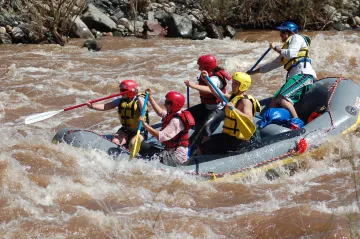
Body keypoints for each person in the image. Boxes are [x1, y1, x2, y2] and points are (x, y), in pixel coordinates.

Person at [248, 21, 317, 119]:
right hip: (296, 76)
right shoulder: (285, 51)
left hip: (303, 75)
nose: (280, 35)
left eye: (283, 32)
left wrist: (275, 48)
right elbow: (270, 66)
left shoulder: (296, 37)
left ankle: (296, 121)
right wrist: (252, 72)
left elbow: (291, 54)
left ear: (290, 32)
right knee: (274, 99)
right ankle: (270, 120)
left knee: (283, 99)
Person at [197, 72, 261, 155]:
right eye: (233, 82)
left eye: (236, 83)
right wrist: (207, 80)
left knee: (202, 148)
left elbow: (249, 118)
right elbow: (218, 94)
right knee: (204, 142)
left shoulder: (245, 101)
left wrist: (234, 109)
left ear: (243, 85)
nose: (233, 85)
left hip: (238, 140)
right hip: (229, 136)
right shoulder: (234, 96)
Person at [184, 54, 231, 148]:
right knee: (185, 115)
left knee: (205, 127)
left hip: (219, 109)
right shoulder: (206, 74)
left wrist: (192, 85)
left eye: (200, 66)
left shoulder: (215, 79)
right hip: (206, 106)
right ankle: (181, 138)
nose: (198, 68)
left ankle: (205, 147)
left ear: (206, 67)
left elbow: (209, 90)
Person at [139, 90, 195, 166]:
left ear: (174, 104)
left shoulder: (176, 121)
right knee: (143, 147)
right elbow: (160, 112)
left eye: (167, 103)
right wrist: (150, 98)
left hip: (176, 158)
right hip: (170, 151)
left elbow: (161, 136)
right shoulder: (173, 113)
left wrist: (145, 125)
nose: (165, 105)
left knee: (146, 155)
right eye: (165, 102)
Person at [86, 79, 148, 148]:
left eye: (124, 90)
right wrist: (92, 106)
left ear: (131, 91)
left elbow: (144, 109)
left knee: (132, 144)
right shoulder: (120, 101)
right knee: (114, 142)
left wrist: (138, 96)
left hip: (140, 131)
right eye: (121, 90)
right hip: (125, 130)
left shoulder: (139, 100)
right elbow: (105, 106)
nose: (121, 92)